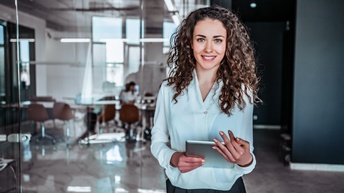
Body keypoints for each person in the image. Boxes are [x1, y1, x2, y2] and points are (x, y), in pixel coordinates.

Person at [150, 5, 261, 193]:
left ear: (228, 45)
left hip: (228, 189)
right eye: (201, 39)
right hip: (181, 187)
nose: (209, 49)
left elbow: (247, 158)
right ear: (190, 43)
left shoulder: (243, 92)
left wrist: (243, 158)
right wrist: (173, 158)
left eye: (217, 40)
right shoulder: (168, 90)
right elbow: (157, 141)